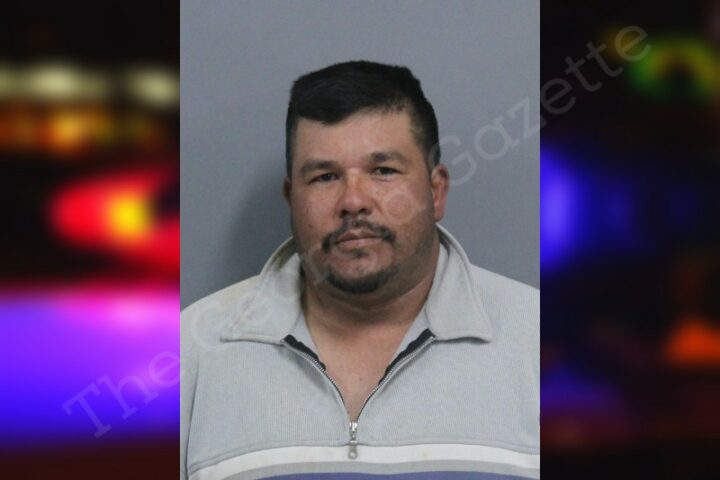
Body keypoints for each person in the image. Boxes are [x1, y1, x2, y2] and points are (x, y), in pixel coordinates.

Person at [181, 61, 539, 480]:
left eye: (383, 171)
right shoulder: (191, 352)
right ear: (291, 198)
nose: (353, 201)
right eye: (325, 176)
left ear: (436, 191)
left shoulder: (538, 342)